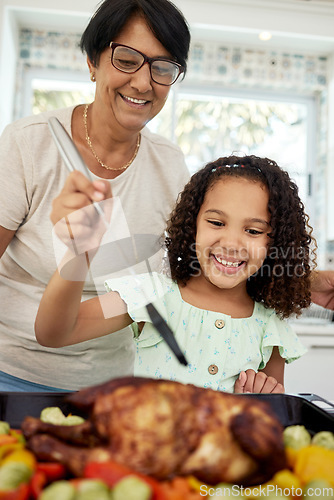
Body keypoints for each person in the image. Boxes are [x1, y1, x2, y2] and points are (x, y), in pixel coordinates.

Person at [0, 0, 191, 391]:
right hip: (10, 370)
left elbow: (188, 276)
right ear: (92, 62)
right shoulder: (28, 142)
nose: (143, 83)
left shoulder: (171, 167)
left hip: (108, 386)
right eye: (126, 59)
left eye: (163, 67)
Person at [35, 154, 315, 394]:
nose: (231, 243)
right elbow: (56, 331)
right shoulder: (148, 295)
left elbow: (270, 417)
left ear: (275, 242)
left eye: (253, 231)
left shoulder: (271, 331)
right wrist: (78, 256)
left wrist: (258, 403)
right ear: (193, 226)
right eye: (216, 222)